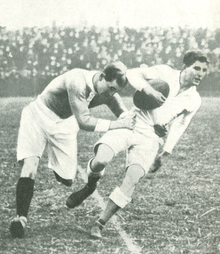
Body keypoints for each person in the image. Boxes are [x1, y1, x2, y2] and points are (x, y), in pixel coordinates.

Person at [65, 50, 209, 238]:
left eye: (204, 70)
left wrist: (166, 151)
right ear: (185, 66)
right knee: (100, 159)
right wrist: (148, 89)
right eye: (196, 68)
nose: (200, 73)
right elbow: (132, 74)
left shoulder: (194, 99)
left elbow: (181, 124)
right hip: (132, 121)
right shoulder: (164, 72)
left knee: (132, 179)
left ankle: (100, 223)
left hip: (151, 137)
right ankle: (90, 186)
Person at [9, 61, 139, 238]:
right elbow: (84, 122)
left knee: (67, 179)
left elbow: (124, 116)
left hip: (64, 125)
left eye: (115, 90)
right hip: (38, 116)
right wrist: (118, 124)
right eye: (110, 88)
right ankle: (21, 218)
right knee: (30, 165)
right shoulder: (77, 80)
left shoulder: (109, 92)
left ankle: (80, 181)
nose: (112, 93)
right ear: (102, 77)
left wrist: (142, 120)